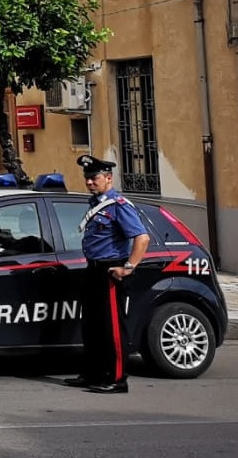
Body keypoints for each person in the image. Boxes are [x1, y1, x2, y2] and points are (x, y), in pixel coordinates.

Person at [65, 154, 149, 394]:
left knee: (112, 327)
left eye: (95, 178)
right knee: (92, 325)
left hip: (110, 270)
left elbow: (142, 238)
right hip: (93, 268)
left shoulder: (119, 205)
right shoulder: (96, 204)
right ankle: (93, 373)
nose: (90, 182)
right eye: (87, 178)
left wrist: (129, 267)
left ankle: (117, 378)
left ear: (109, 178)